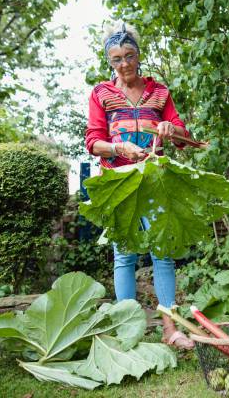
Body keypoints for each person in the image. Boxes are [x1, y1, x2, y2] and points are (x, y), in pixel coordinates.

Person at [85, 22, 193, 350]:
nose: (124, 65)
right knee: (125, 255)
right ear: (109, 61)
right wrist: (118, 148)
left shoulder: (159, 92)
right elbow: (93, 141)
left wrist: (169, 129)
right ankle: (127, 331)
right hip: (119, 182)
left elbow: (183, 135)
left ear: (139, 55)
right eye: (116, 59)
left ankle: (169, 330)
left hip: (155, 180)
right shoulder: (101, 93)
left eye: (129, 56)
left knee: (163, 253)